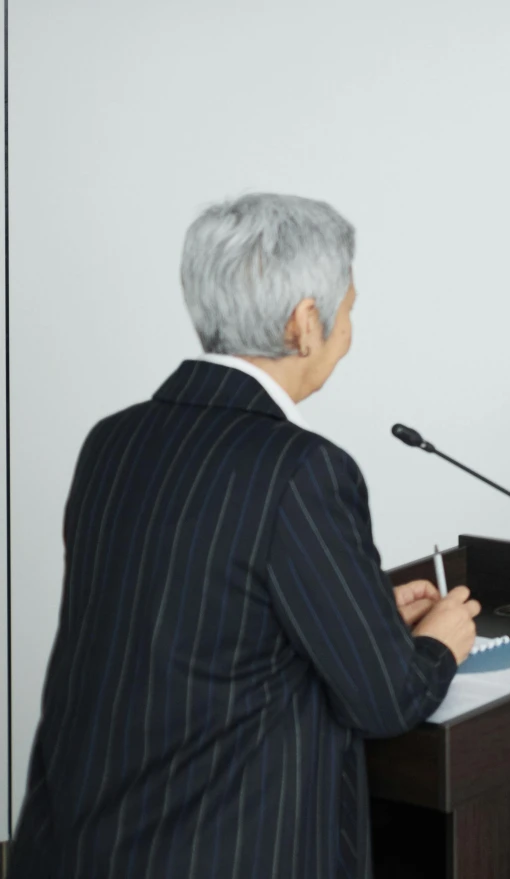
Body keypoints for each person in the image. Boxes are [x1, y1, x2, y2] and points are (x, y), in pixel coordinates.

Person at [13, 193, 479, 876]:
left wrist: (368, 611)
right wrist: (438, 641)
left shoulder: (112, 442)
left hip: (78, 846)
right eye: (349, 309)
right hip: (224, 850)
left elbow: (200, 613)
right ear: (305, 323)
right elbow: (387, 698)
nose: (350, 330)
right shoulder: (302, 468)